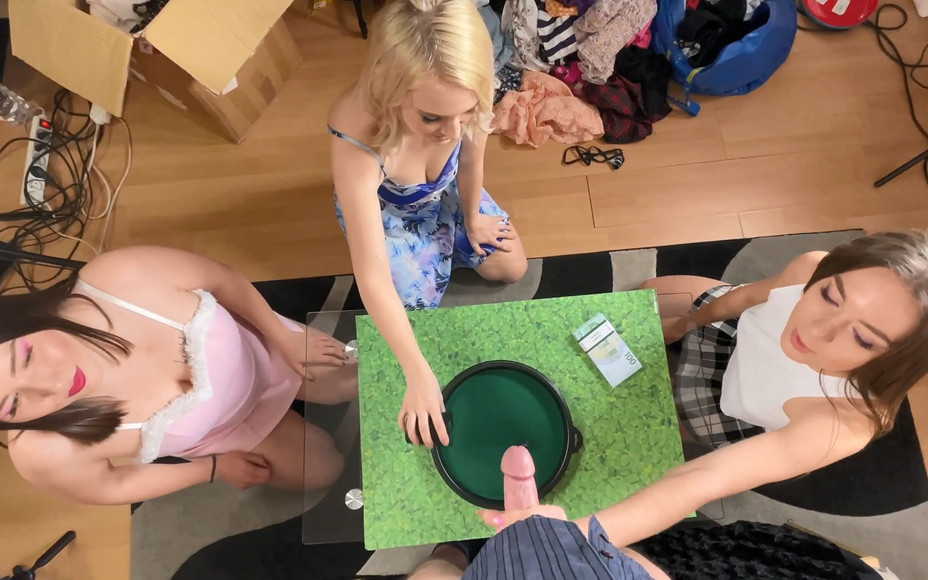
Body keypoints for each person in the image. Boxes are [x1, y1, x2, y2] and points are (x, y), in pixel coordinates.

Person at [479, 231, 928, 551]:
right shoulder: (810, 266)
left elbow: (700, 480)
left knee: (673, 428)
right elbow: (746, 299)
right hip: (734, 335)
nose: (815, 330)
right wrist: (688, 323)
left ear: (898, 360)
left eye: (862, 338)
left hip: (733, 405)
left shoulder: (842, 424)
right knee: (650, 292)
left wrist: (573, 536)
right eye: (830, 296)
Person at [0, 246, 358, 505]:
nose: (53, 385)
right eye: (12, 404)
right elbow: (109, 486)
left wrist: (283, 337)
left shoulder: (114, 278)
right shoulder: (41, 451)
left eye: (27, 357)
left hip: (267, 349)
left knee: (354, 381)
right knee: (323, 469)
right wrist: (213, 469)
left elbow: (220, 277)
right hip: (231, 430)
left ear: (24, 320)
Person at [327, 0, 528, 448]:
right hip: (391, 215)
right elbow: (371, 276)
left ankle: (445, 247)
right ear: (391, 88)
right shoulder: (355, 139)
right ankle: (435, 257)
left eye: (464, 113)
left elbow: (471, 161)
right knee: (410, 312)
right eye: (431, 117)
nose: (452, 132)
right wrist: (418, 374)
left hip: (445, 192)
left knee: (511, 266)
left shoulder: (467, 89)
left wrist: (472, 218)